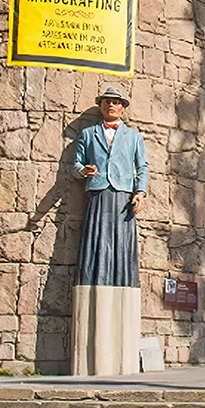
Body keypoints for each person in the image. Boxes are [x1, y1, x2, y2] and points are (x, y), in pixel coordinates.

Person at [71, 87, 148, 288]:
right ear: (100, 106)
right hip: (98, 194)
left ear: (122, 107)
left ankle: (122, 286)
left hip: (124, 196)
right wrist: (83, 171)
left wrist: (140, 192)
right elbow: (76, 165)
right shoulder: (88, 134)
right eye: (107, 101)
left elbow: (142, 166)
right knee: (95, 240)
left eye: (116, 102)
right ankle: (93, 283)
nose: (111, 105)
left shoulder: (134, 137)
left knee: (122, 242)